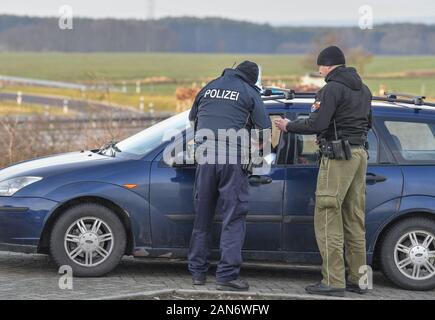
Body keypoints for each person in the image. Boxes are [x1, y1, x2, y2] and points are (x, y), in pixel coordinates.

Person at [274, 46, 372, 297]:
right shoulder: (364, 89)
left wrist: (289, 126)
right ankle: (359, 281)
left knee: (328, 217)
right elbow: (366, 123)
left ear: (329, 65)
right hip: (360, 154)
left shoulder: (331, 89)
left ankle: (333, 281)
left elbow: (317, 122)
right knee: (354, 219)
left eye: (321, 66)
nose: (319, 71)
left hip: (339, 158)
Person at [188, 61, 271, 291]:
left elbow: (193, 119)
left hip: (204, 159)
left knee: (202, 217)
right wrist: (258, 154)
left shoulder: (209, 87)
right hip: (232, 161)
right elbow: (264, 129)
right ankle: (226, 276)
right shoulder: (249, 92)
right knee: (233, 219)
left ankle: (197, 273)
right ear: (252, 79)